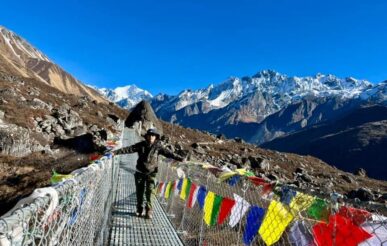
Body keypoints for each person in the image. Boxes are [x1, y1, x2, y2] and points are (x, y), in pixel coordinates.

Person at [113, 128, 184, 219]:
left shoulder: (158, 147)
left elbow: (169, 153)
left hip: (152, 173)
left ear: (156, 137)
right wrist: (115, 152)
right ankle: (139, 209)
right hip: (140, 172)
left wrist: (180, 158)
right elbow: (129, 149)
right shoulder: (141, 145)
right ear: (146, 136)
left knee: (150, 192)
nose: (151, 137)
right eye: (149, 135)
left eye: (153, 135)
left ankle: (149, 210)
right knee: (140, 191)